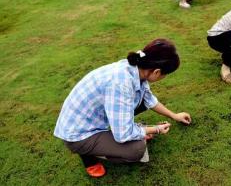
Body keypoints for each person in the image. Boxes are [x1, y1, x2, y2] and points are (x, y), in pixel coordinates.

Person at [54, 39, 192, 178]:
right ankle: (88, 155)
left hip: (91, 119)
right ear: (157, 72)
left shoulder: (135, 69)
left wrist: (174, 115)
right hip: (79, 135)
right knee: (136, 149)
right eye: (165, 74)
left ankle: (122, 133)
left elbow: (149, 100)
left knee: (140, 103)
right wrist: (155, 129)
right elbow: (123, 135)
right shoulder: (121, 83)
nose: (164, 77)